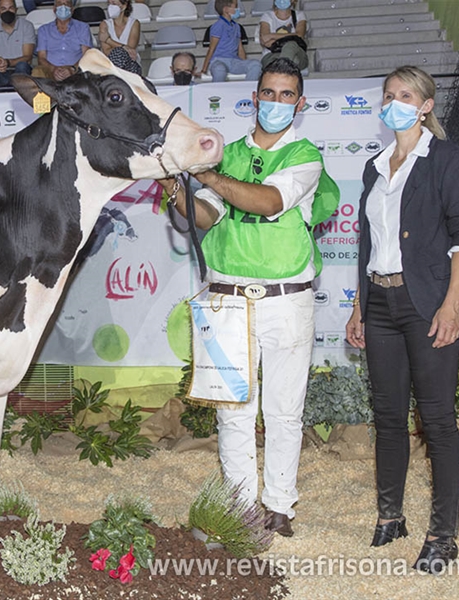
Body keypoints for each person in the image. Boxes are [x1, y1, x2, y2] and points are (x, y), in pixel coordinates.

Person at [162, 58, 338, 538]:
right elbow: (205, 216)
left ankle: (280, 504)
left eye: (286, 95)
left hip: (287, 299)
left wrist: (204, 172)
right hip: (227, 295)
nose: (276, 102)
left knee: (284, 409)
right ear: (254, 97)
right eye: (268, 93)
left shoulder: (306, 157)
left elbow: (267, 201)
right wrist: (174, 186)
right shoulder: (229, 154)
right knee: (232, 410)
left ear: (299, 104)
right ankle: (239, 508)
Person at [345, 66, 459, 575]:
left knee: (438, 422)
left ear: (425, 106)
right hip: (379, 305)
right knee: (387, 418)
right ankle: (390, 516)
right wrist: (359, 304)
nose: (394, 102)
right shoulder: (375, 167)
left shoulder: (446, 160)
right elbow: (367, 244)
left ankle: (443, 536)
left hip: (428, 306)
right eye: (388, 95)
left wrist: (451, 303)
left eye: (405, 95)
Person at [199, 0, 261, 83]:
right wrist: (204, 69)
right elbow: (211, 49)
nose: (237, 9)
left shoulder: (236, 26)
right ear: (226, 10)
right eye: (235, 7)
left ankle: (247, 91)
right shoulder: (218, 26)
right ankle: (218, 94)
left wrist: (244, 63)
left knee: (255, 65)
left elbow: (240, 48)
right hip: (219, 60)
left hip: (234, 61)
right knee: (219, 69)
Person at [33, 0, 91, 82]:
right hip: (51, 69)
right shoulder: (44, 30)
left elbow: (87, 55)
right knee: (37, 71)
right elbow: (41, 58)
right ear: (54, 9)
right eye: (59, 4)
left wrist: (72, 69)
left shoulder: (83, 28)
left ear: (72, 9)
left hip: (75, 70)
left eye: (67, 4)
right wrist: (53, 69)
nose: (63, 7)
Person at [259, 0, 308, 70]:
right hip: (272, 55)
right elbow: (265, 39)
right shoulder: (267, 16)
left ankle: (282, 69)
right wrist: (292, 36)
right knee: (292, 62)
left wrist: (272, 36)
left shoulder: (299, 15)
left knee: (291, 45)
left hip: (296, 53)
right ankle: (284, 69)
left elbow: (299, 35)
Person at [98, 0, 141, 75]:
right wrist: (123, 47)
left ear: (124, 6)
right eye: (109, 3)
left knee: (120, 53)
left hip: (131, 65)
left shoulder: (134, 23)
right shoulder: (104, 24)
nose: (110, 6)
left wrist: (108, 40)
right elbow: (107, 51)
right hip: (111, 66)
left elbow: (130, 50)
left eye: (114, 3)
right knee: (118, 53)